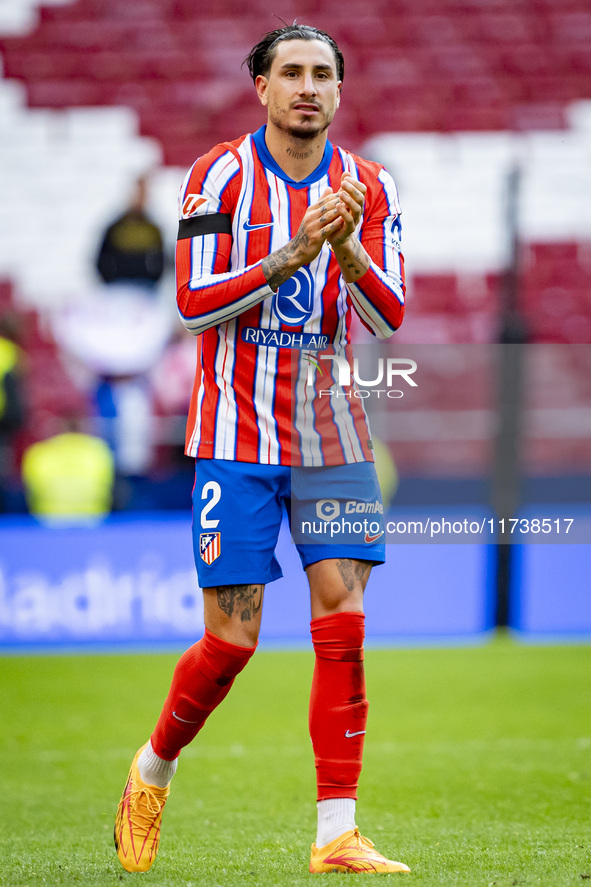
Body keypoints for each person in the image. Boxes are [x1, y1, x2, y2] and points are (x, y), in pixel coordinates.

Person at [114, 23, 409, 876]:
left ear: (339, 92)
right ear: (262, 88)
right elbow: (194, 301)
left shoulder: (369, 184)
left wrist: (345, 242)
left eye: (323, 74)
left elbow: (389, 315)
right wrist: (294, 250)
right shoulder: (218, 175)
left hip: (333, 429)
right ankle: (152, 769)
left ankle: (336, 832)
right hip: (235, 429)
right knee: (232, 641)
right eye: (291, 73)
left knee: (342, 618)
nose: (308, 87)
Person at [96, 176, 164, 288]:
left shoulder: (153, 229)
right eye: (137, 194)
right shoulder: (115, 228)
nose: (139, 199)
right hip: (117, 288)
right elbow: (101, 259)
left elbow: (161, 261)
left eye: (143, 194)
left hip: (145, 289)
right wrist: (109, 280)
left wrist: (152, 280)